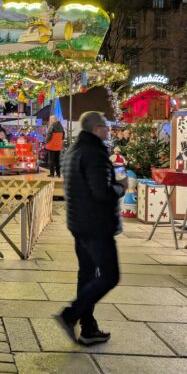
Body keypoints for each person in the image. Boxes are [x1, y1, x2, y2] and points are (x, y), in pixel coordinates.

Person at [57, 111, 125, 345]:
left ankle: (88, 328)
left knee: (87, 274)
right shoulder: (95, 153)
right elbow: (102, 192)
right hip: (97, 225)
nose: (109, 130)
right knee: (109, 276)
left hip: (78, 223)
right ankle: (71, 314)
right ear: (97, 129)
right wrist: (121, 188)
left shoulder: (72, 152)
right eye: (106, 126)